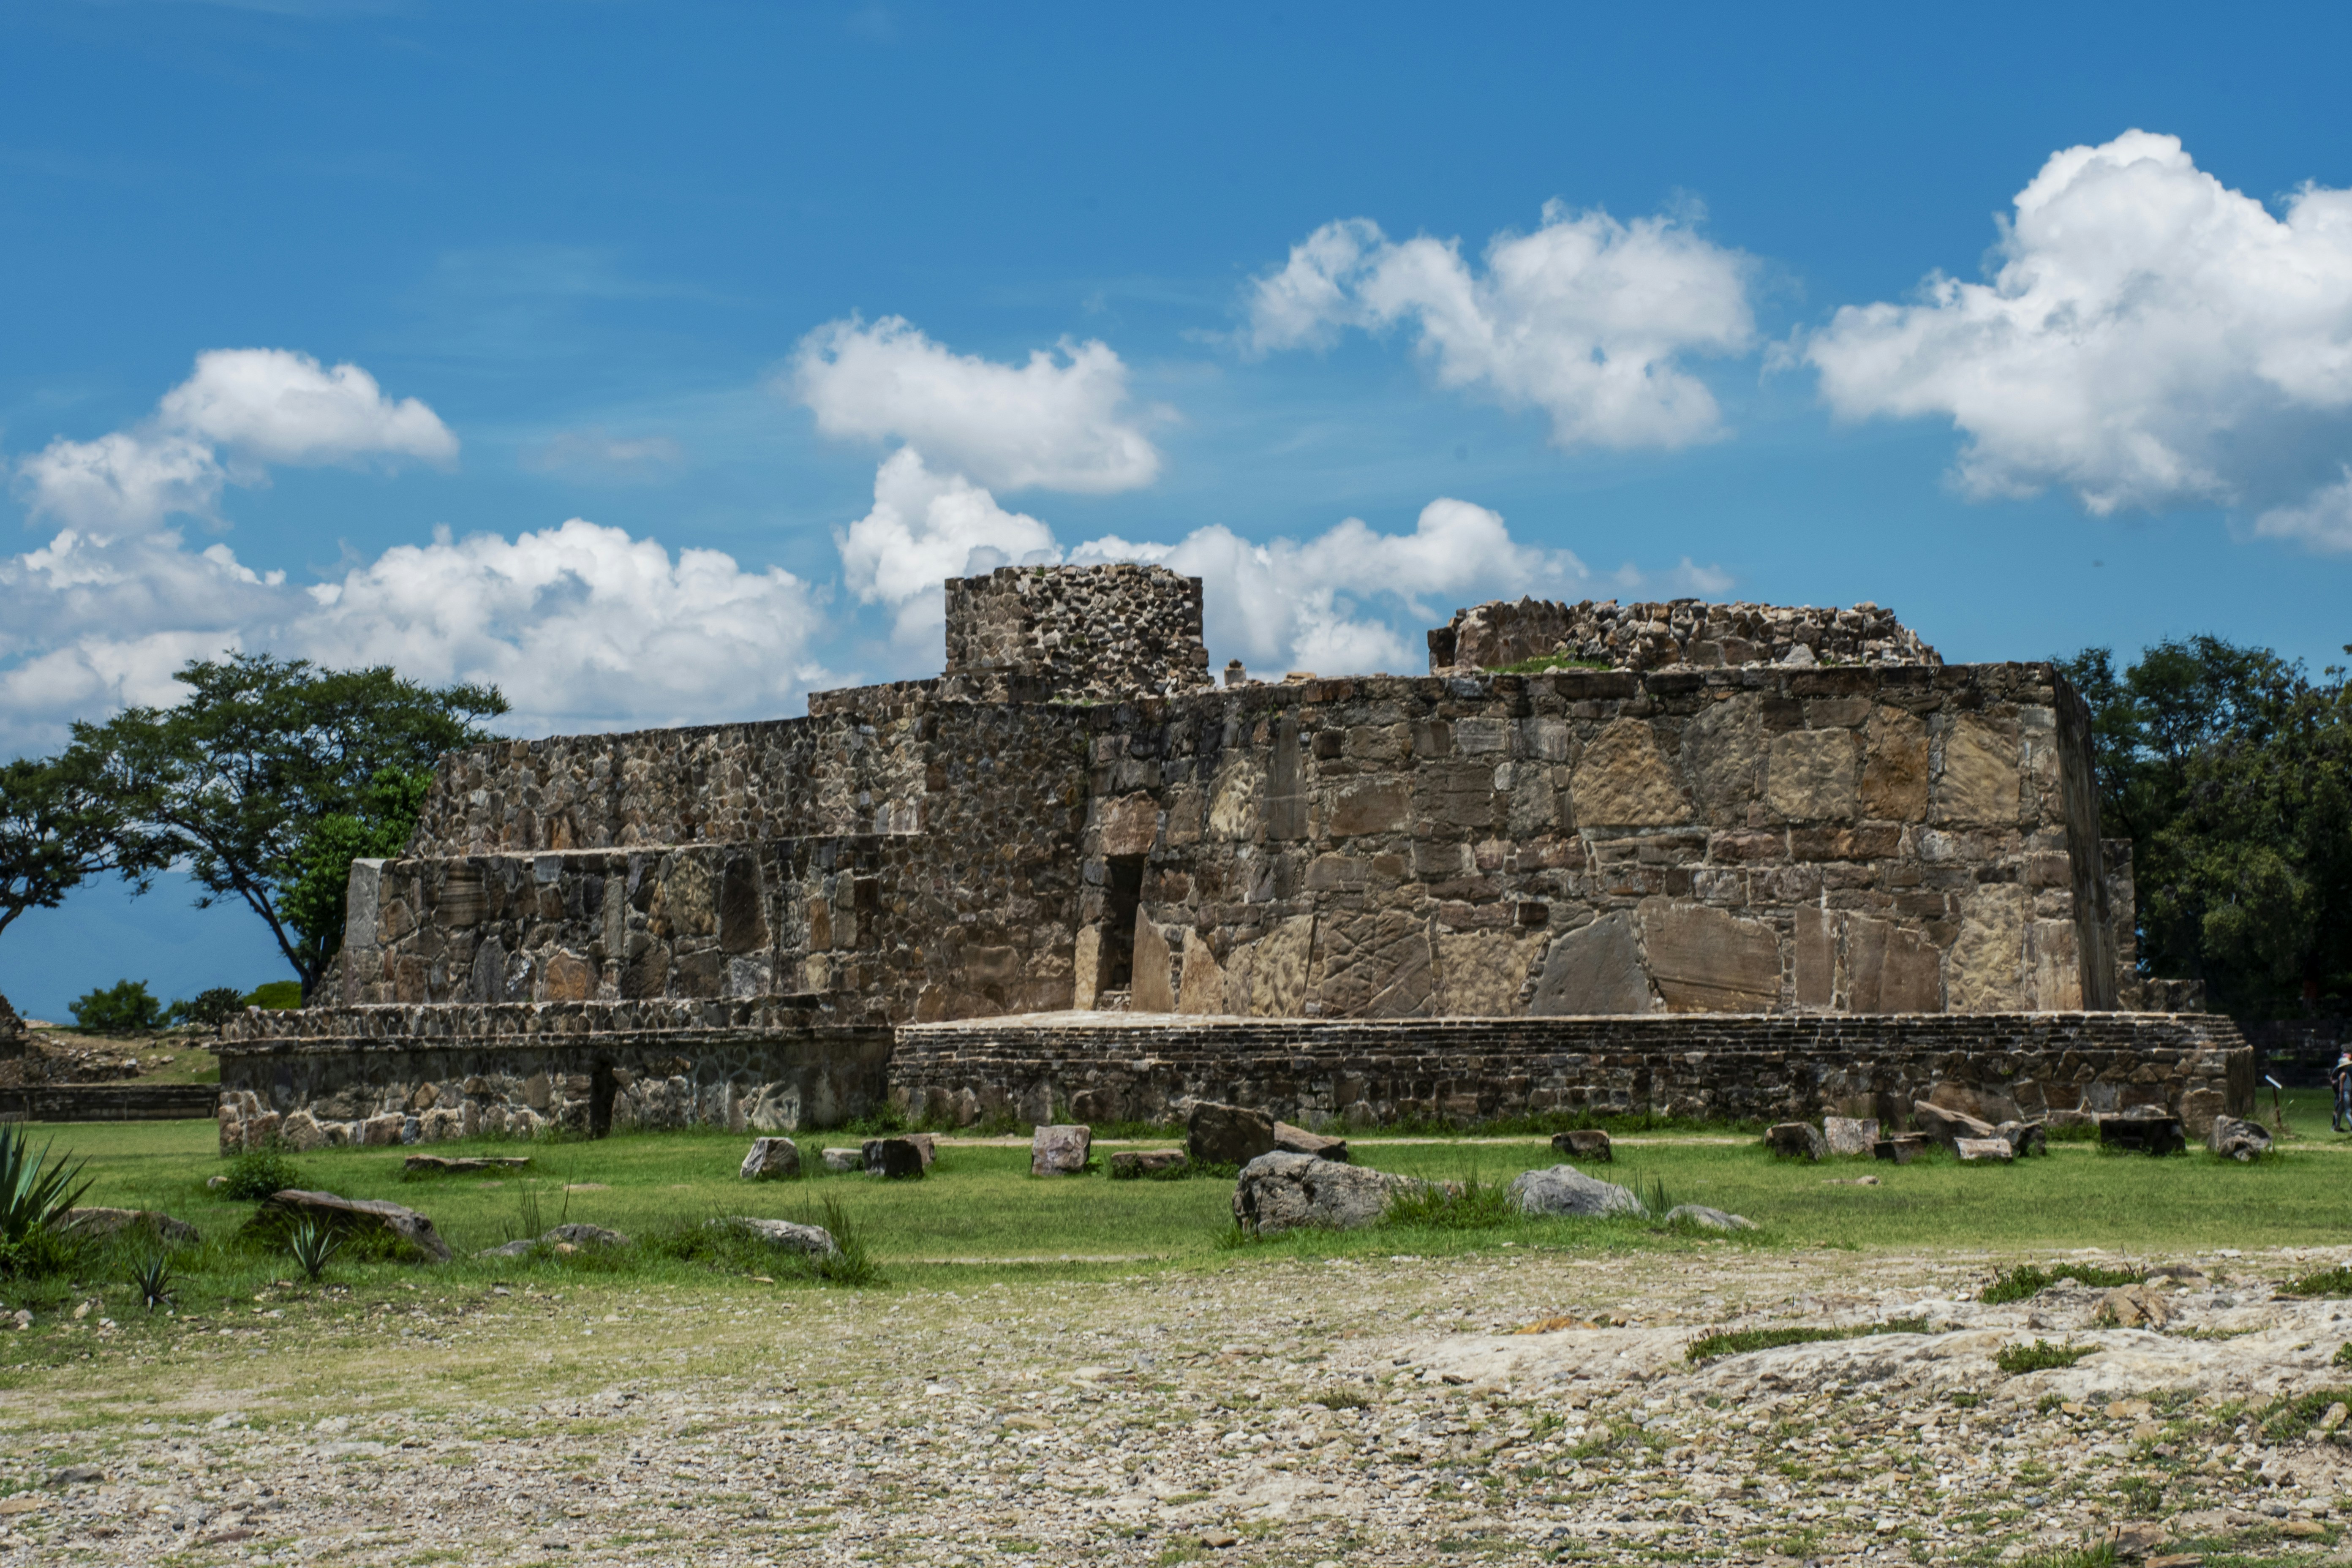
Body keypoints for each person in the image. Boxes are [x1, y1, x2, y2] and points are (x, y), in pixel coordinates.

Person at [2333, 1051, 2352, 1134]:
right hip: (2345, 1094)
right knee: (2344, 1112)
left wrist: (2341, 1097)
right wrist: (2341, 1097)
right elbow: (2341, 1087)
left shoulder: (2343, 1074)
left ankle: (2337, 1126)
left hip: (2345, 1094)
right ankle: (2337, 1127)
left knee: (2344, 1111)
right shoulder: (2344, 1074)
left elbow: (2342, 1087)